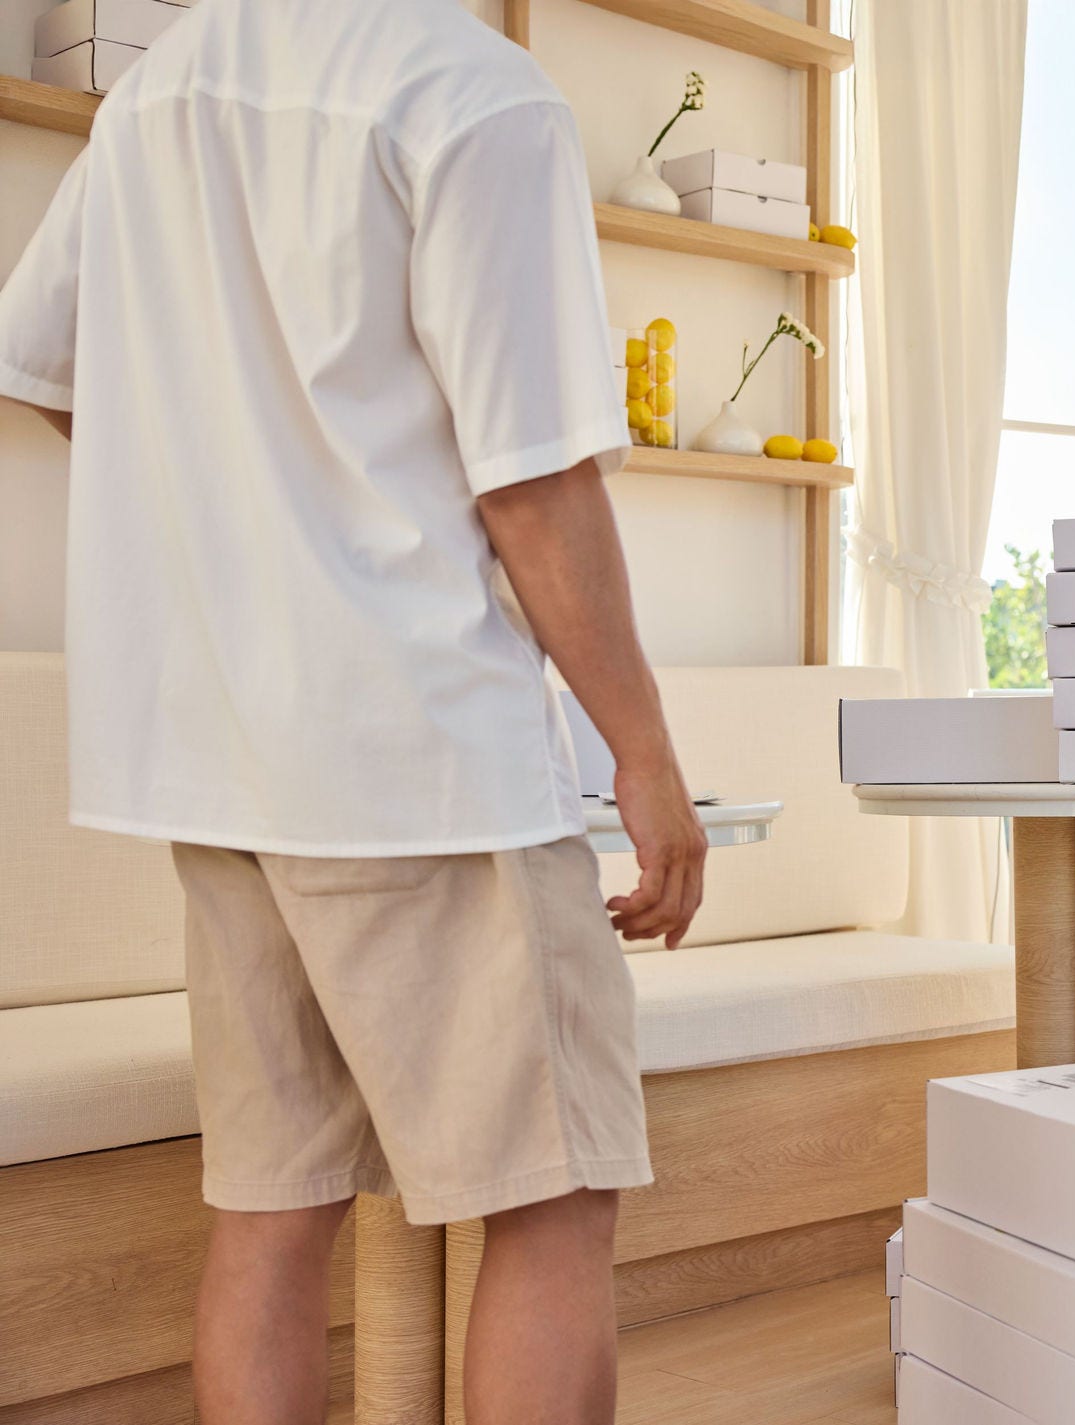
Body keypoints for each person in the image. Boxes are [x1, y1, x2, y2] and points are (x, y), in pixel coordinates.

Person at [0, 1, 707, 1420]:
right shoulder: (477, 94)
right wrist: (647, 756)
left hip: (215, 755)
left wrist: (247, 513)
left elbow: (50, 366)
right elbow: (534, 483)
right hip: (418, 755)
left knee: (273, 1206)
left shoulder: (158, 93)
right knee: (553, 1204)